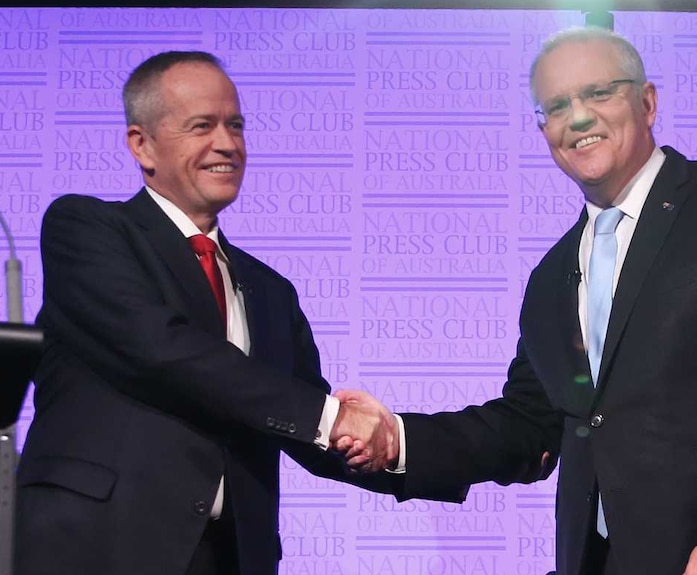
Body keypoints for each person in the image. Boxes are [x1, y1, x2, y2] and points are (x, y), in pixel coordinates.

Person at [338, 26, 697, 575]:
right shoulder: (551, 277)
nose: (578, 117)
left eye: (599, 93)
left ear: (647, 102)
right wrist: (400, 438)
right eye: (556, 106)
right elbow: (528, 425)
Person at [14, 51, 404, 575]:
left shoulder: (270, 290)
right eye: (202, 126)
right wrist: (331, 418)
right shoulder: (86, 229)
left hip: (231, 557)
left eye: (236, 125)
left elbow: (302, 421)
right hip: (97, 548)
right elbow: (160, 349)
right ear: (142, 145)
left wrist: (410, 446)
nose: (227, 144)